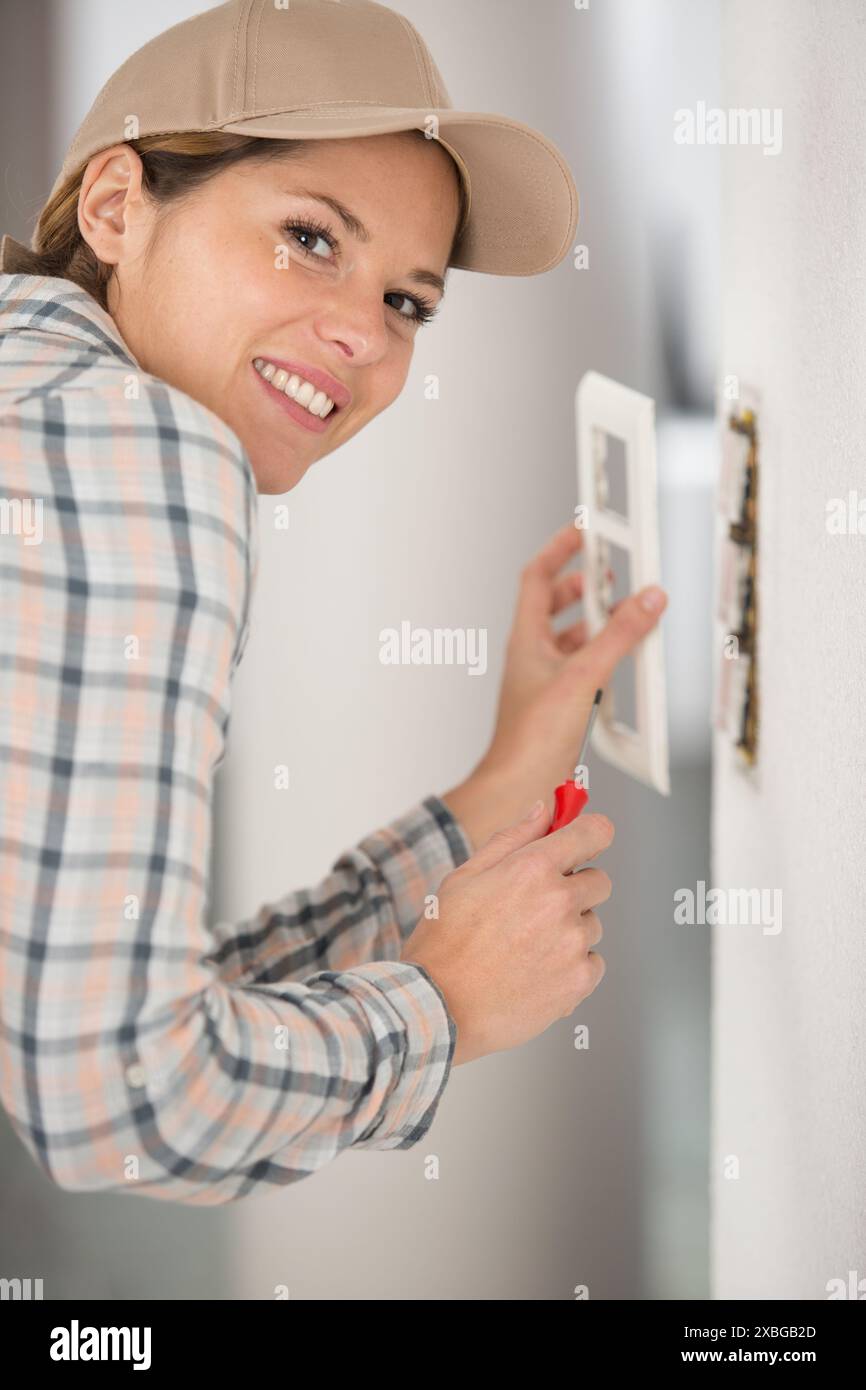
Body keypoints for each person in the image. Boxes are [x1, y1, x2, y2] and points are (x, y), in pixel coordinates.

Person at [0, 0, 667, 1205]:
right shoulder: (141, 447)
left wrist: (505, 777)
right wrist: (443, 1006)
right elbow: (114, 1098)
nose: (364, 333)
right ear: (114, 206)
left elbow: (97, 989)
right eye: (310, 237)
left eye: (407, 301)